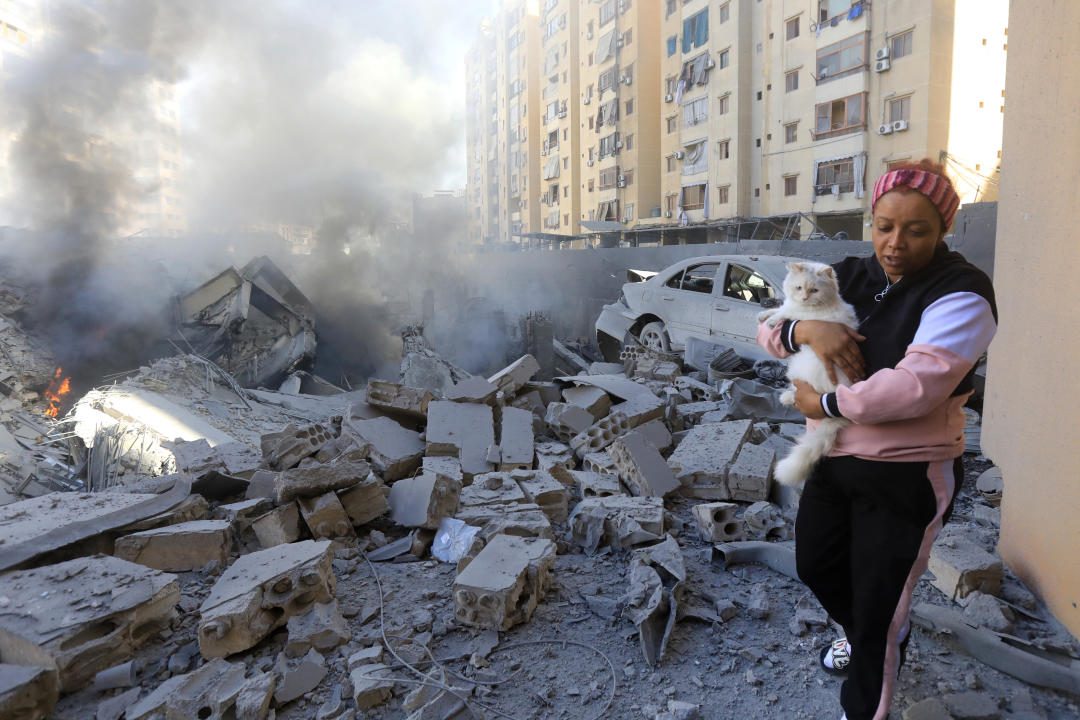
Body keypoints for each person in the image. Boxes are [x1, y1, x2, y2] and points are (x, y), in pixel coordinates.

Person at [757, 159, 997, 720]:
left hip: (906, 474)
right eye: (885, 226)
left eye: (916, 230)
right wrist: (803, 329)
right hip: (832, 460)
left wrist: (828, 403)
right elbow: (768, 327)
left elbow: (917, 386)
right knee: (817, 565)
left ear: (943, 229)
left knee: (879, 609)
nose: (895, 244)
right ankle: (870, 628)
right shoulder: (850, 275)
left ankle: (868, 694)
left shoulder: (962, 291)